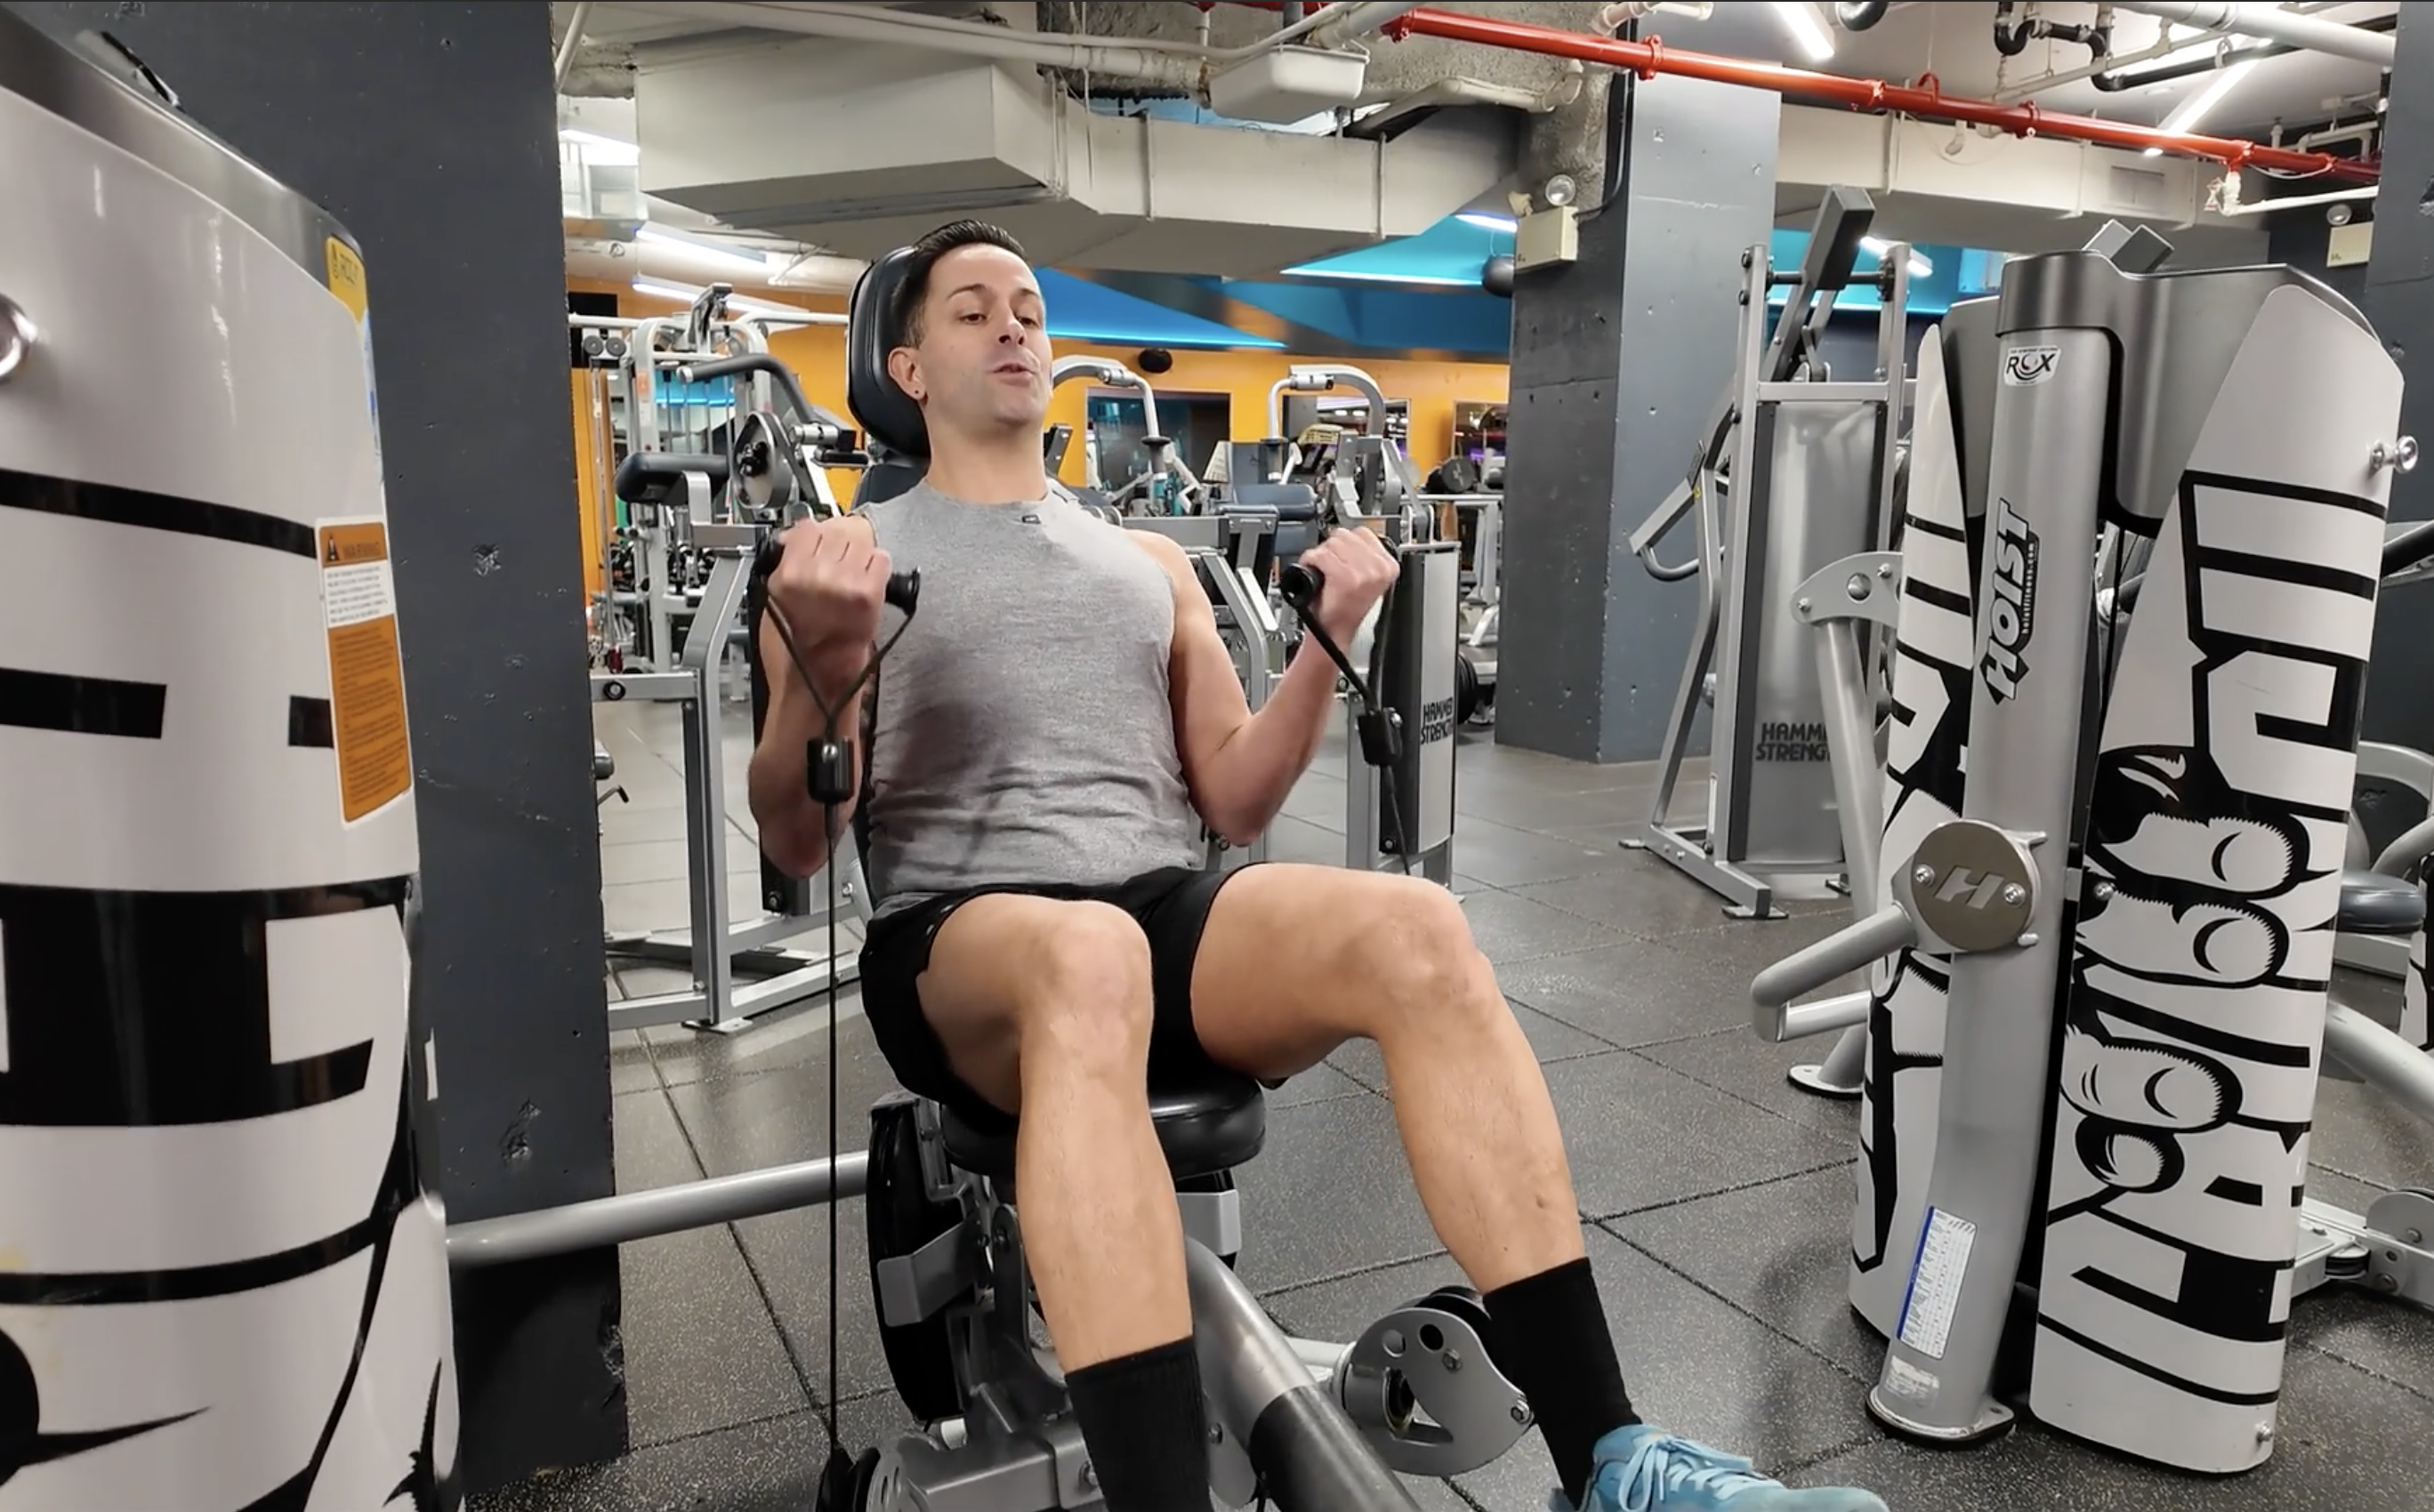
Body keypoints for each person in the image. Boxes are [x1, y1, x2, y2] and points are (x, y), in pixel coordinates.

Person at [750, 220, 1889, 1512]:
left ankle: (1616, 1460)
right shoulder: (838, 563)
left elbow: (1232, 791)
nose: (1014, 326)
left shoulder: (1154, 563)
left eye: (1027, 306)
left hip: (1154, 916)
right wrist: (829, 666)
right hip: (958, 941)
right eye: (972, 311)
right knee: (1088, 953)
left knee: (1416, 929)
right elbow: (797, 836)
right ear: (906, 368)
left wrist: (1323, 641)